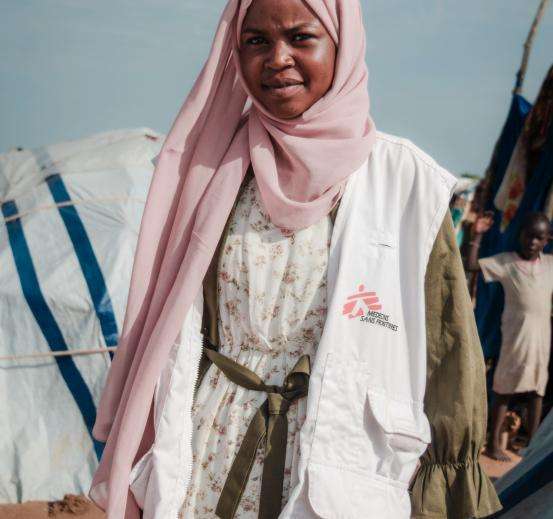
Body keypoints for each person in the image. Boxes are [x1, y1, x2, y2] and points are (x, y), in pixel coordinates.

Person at [89, 1, 500, 518]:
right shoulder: (211, 171)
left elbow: (446, 351)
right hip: (210, 446)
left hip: (336, 454)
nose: (277, 58)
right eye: (255, 41)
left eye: (301, 38)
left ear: (342, 46)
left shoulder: (406, 182)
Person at [469, 212, 553, 461]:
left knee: (537, 391)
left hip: (541, 340)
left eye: (539, 238)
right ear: (520, 236)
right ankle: (493, 445)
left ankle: (531, 445)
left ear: (547, 240)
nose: (532, 243)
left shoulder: (549, 265)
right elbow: (472, 266)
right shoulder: (506, 262)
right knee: (504, 389)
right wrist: (477, 235)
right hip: (515, 337)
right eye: (528, 236)